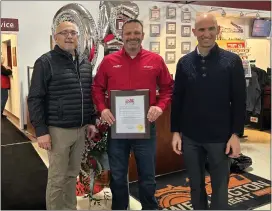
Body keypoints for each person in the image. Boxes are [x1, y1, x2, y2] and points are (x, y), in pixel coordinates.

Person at [92, 19, 173, 210]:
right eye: (128, 33)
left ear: (143, 36)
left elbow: (168, 87)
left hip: (145, 128)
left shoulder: (155, 60)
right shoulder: (109, 62)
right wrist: (103, 109)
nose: (132, 37)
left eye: (137, 33)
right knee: (118, 176)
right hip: (117, 130)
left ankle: (150, 207)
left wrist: (160, 107)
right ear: (122, 37)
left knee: (147, 175)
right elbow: (96, 88)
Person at [171, 13, 246, 210]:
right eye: (202, 29)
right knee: (195, 186)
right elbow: (178, 99)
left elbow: (239, 100)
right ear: (194, 32)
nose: (206, 34)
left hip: (220, 138)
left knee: (220, 187)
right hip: (190, 137)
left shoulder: (231, 61)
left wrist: (235, 134)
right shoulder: (184, 63)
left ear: (218, 31)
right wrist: (175, 132)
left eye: (211, 29)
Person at [28, 21, 97, 210]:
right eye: (64, 32)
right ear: (55, 37)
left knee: (71, 175)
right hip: (58, 130)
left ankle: (69, 208)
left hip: (81, 128)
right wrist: (41, 130)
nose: (69, 36)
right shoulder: (45, 62)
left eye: (73, 33)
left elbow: (87, 95)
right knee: (57, 177)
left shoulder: (84, 63)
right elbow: (35, 98)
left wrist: (91, 121)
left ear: (78, 37)